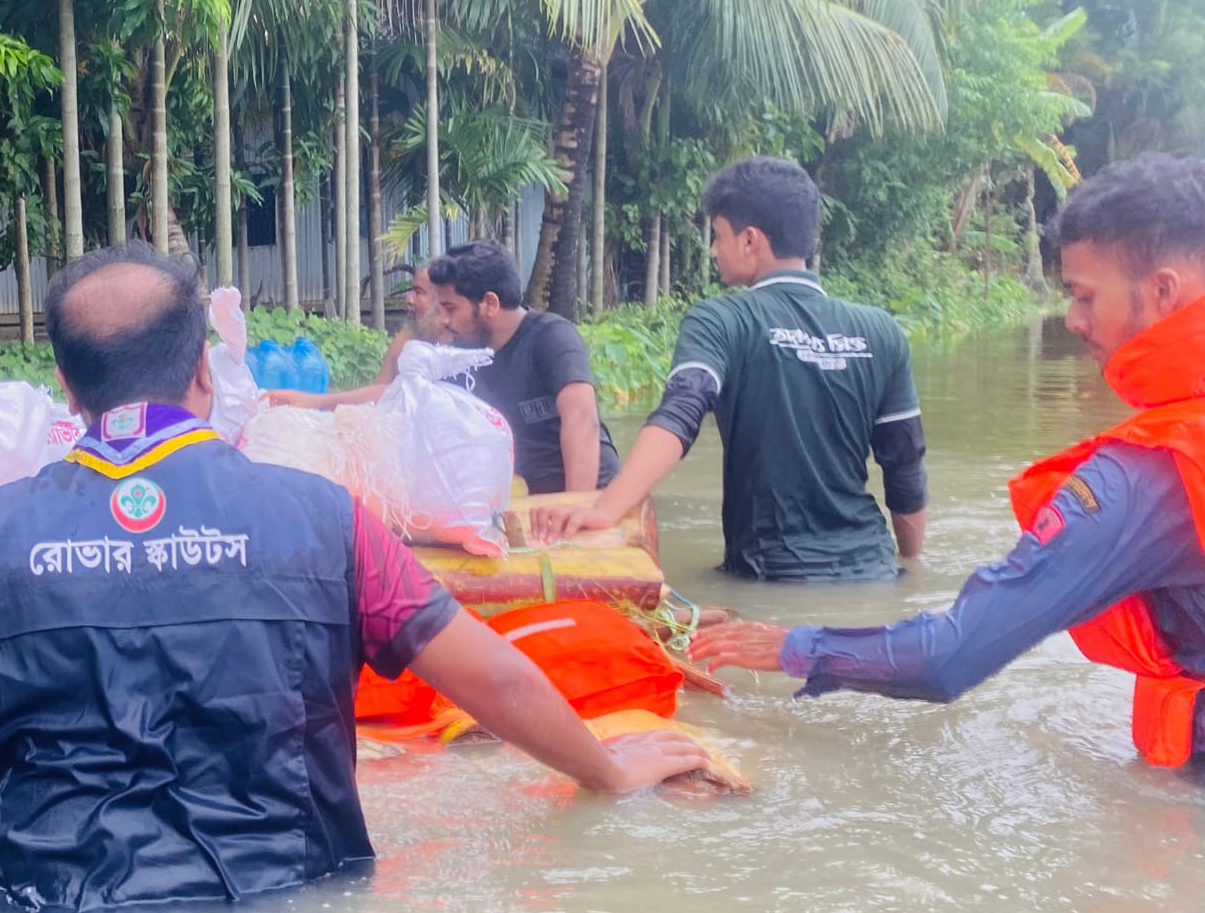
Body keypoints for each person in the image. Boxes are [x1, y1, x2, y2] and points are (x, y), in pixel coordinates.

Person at [0, 242, 707, 912]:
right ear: (205, 375)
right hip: (286, 901)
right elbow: (497, 682)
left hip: (33, 911)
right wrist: (608, 771)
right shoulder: (320, 519)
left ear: (64, 391)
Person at [689, 152, 1205, 768]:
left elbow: (949, 654)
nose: (1071, 320)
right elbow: (904, 463)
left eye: (1084, 296)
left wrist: (793, 645)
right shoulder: (876, 331)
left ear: (1163, 291)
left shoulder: (1145, 475)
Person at [534, 156, 928, 580]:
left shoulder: (721, 319)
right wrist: (910, 567)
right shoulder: (881, 330)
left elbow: (681, 412)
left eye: (718, 235)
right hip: (874, 569)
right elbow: (904, 464)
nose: (713, 249)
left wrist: (605, 507)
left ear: (750, 240)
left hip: (772, 575)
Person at [427, 242, 622, 495]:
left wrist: (574, 509)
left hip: (590, 498)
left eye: (450, 308)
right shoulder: (462, 357)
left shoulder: (551, 336)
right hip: (524, 501)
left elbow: (582, 419)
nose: (444, 320)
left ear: (490, 304)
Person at [264, 262, 444, 410]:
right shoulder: (405, 339)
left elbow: (399, 394)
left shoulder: (462, 353)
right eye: (411, 291)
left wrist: (315, 401)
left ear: (444, 301)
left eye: (418, 292)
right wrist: (314, 402)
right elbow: (378, 397)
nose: (408, 299)